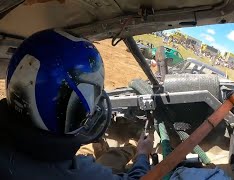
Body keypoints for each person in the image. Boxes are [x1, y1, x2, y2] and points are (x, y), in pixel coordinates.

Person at [0, 29, 153, 179]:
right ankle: (130, 148)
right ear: (69, 103)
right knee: (117, 156)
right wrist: (142, 156)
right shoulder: (78, 173)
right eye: (93, 93)